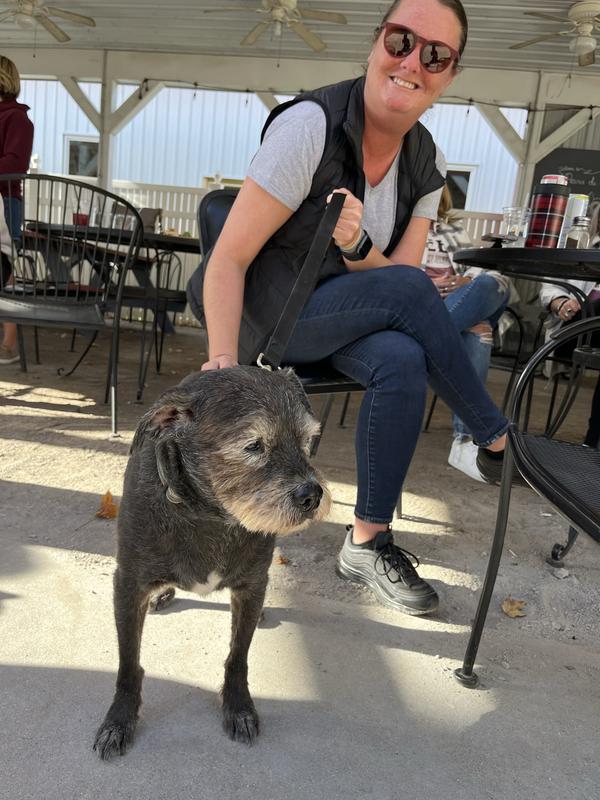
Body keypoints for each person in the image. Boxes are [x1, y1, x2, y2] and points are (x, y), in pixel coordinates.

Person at [190, 0, 515, 617]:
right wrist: (225, 364)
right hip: (272, 318)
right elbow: (227, 260)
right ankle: (493, 436)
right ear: (375, 44)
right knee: (417, 304)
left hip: (342, 313)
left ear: (449, 74)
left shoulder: (426, 162)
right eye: (401, 40)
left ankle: (367, 540)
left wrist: (357, 245)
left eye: (436, 55)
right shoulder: (310, 127)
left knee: (400, 356)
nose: (413, 62)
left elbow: (396, 277)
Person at [422, 184, 511, 480]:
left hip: (458, 304)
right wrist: (422, 286)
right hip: (421, 305)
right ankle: (463, 442)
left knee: (491, 284)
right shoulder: (402, 225)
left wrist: (464, 283)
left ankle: (428, 337)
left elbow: (477, 272)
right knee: (477, 333)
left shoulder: (453, 232)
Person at [538, 209, 600, 449]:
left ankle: (591, 443)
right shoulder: (582, 243)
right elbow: (551, 284)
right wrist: (560, 302)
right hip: (576, 330)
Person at [0, 55, 34, 365]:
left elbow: (15, 164)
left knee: (7, 268)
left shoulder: (17, 118)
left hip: (4, 201)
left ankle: (8, 344)